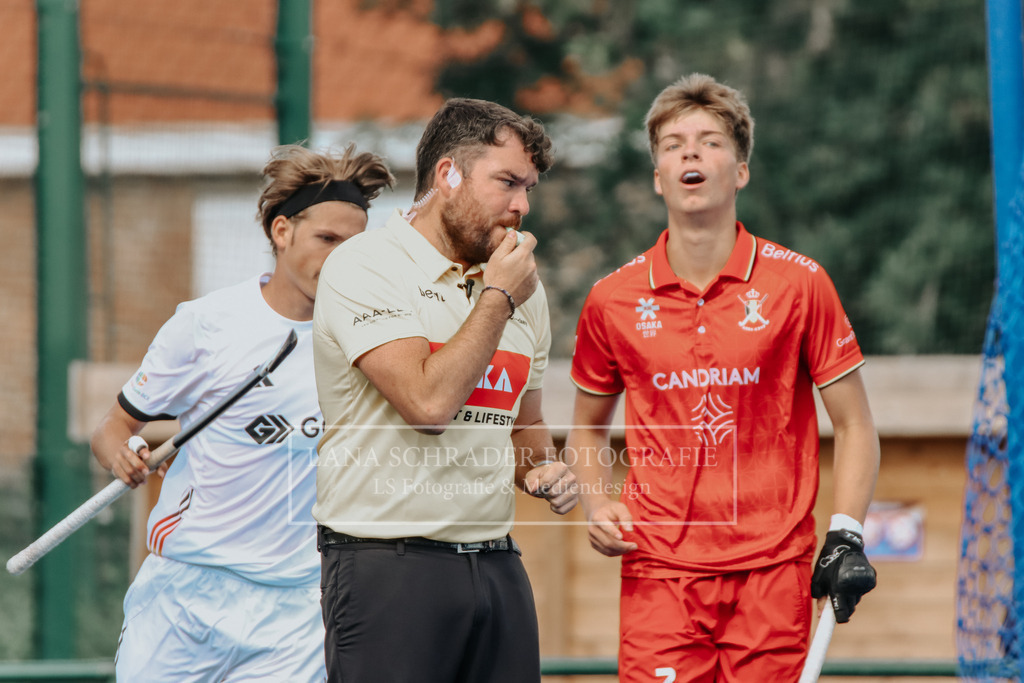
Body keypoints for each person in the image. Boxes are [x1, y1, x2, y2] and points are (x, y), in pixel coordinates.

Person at [566, 73, 880, 682]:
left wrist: (845, 533)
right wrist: (597, 501)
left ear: (740, 171)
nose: (691, 152)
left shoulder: (801, 283)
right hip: (659, 572)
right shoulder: (611, 298)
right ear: (658, 175)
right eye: (673, 143)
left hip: (773, 569)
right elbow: (585, 428)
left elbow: (855, 422)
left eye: (710, 141)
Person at [91, 143, 394, 682]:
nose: (340, 259)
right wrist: (126, 453)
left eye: (354, 246)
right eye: (327, 239)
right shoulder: (206, 324)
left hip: (299, 609)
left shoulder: (372, 341)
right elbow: (114, 427)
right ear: (282, 232)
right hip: (184, 597)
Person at [312, 97, 577, 682]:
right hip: (388, 565)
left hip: (497, 562)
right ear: (447, 174)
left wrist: (544, 468)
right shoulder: (365, 265)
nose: (521, 206)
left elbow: (523, 427)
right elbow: (427, 404)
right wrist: (499, 297)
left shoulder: (521, 287)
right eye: (507, 181)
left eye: (529, 188)